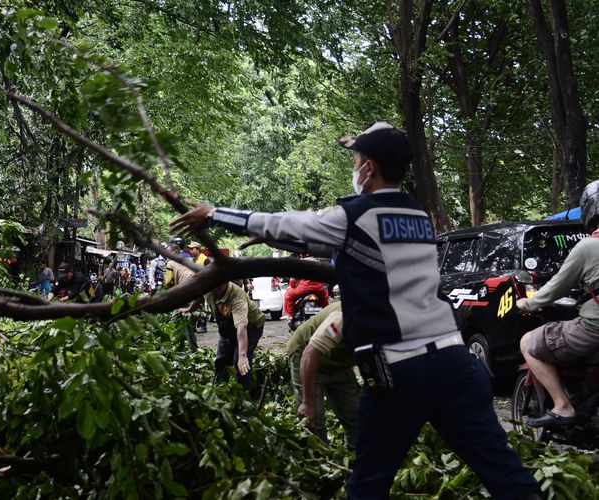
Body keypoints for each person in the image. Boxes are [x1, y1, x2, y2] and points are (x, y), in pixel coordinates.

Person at [171, 122, 540, 499]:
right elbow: (362, 252)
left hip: (400, 374)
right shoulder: (417, 218)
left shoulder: (356, 215)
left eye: (358, 158)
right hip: (456, 364)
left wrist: (215, 214)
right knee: (505, 475)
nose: (356, 165)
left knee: (367, 484)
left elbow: (292, 222)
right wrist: (276, 236)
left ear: (370, 168)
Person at [516, 180, 599, 427]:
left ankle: (563, 406)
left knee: (528, 342)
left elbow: (556, 287)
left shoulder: (588, 246)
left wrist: (527, 304)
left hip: (594, 327)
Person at [287, 301, 358, 450]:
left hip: (338, 361)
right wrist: (308, 402)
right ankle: (320, 462)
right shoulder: (343, 317)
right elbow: (310, 353)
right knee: (314, 421)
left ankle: (355, 461)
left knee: (356, 418)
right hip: (305, 355)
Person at [183, 280, 265, 393]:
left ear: (226, 281)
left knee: (239, 361)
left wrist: (242, 356)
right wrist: (189, 309)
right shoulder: (208, 287)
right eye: (213, 288)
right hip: (227, 328)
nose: (216, 291)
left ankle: (244, 394)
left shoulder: (237, 298)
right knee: (221, 361)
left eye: (219, 287)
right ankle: (219, 390)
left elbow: (241, 328)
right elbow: (199, 296)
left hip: (251, 328)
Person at [165, 241, 201, 351]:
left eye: (169, 252)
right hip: (194, 291)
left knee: (172, 322)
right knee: (187, 324)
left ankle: (164, 345)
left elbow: (168, 283)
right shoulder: (188, 261)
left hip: (184, 293)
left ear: (176, 252)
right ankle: (193, 350)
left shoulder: (170, 263)